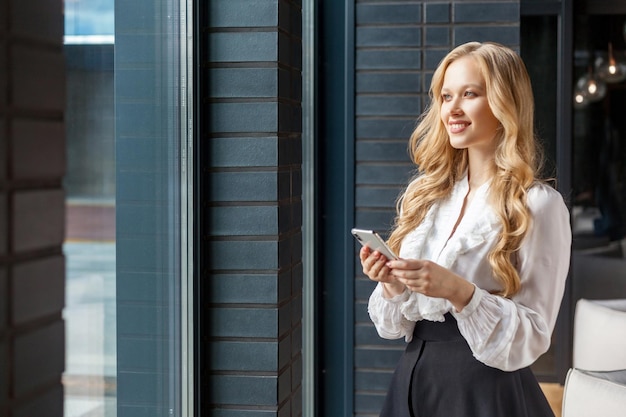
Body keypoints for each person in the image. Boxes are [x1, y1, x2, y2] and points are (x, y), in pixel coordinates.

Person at [359, 41, 571, 417]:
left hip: (484, 390)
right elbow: (395, 326)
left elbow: (535, 335)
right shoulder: (426, 197)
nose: (452, 109)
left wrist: (457, 290)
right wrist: (390, 283)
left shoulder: (538, 205)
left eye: (469, 94)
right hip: (413, 379)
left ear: (504, 102)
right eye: (445, 96)